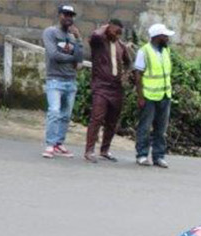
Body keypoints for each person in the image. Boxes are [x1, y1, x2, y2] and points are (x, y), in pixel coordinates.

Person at [40, 4, 84, 158]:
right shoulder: (50, 32)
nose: (68, 18)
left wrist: (78, 39)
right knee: (54, 111)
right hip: (54, 79)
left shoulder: (73, 37)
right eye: (65, 14)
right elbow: (53, 55)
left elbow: (80, 60)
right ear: (59, 15)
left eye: (71, 15)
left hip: (71, 81)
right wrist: (73, 59)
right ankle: (50, 145)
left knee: (66, 115)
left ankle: (59, 143)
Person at [129, 22, 174, 168]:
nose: (168, 38)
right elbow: (138, 75)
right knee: (145, 127)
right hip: (148, 96)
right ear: (158, 37)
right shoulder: (144, 51)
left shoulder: (166, 51)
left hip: (165, 95)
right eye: (165, 36)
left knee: (161, 129)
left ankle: (159, 156)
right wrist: (140, 97)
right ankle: (142, 155)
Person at [82, 17, 126, 160]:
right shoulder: (99, 42)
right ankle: (89, 150)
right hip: (101, 86)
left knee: (113, 121)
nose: (118, 34)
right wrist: (105, 27)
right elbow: (95, 35)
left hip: (116, 88)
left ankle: (105, 150)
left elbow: (129, 62)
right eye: (115, 31)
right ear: (108, 29)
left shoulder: (120, 45)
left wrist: (126, 75)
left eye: (120, 32)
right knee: (97, 117)